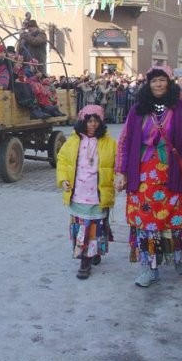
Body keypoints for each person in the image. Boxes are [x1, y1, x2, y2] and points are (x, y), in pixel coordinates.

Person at [115, 65, 182, 288]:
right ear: (148, 84)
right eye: (154, 80)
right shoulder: (137, 110)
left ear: (169, 82)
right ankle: (149, 268)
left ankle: (178, 256)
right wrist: (120, 171)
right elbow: (124, 142)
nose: (158, 84)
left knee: (175, 218)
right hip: (143, 174)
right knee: (146, 222)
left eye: (162, 80)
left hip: (173, 173)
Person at [56, 105, 117, 280]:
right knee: (83, 228)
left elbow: (118, 164)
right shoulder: (73, 141)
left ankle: (92, 254)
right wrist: (64, 179)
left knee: (96, 228)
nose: (92, 125)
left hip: (98, 195)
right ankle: (85, 259)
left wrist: (120, 179)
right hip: (78, 194)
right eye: (89, 121)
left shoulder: (110, 143)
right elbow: (62, 160)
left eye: (96, 121)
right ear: (83, 122)